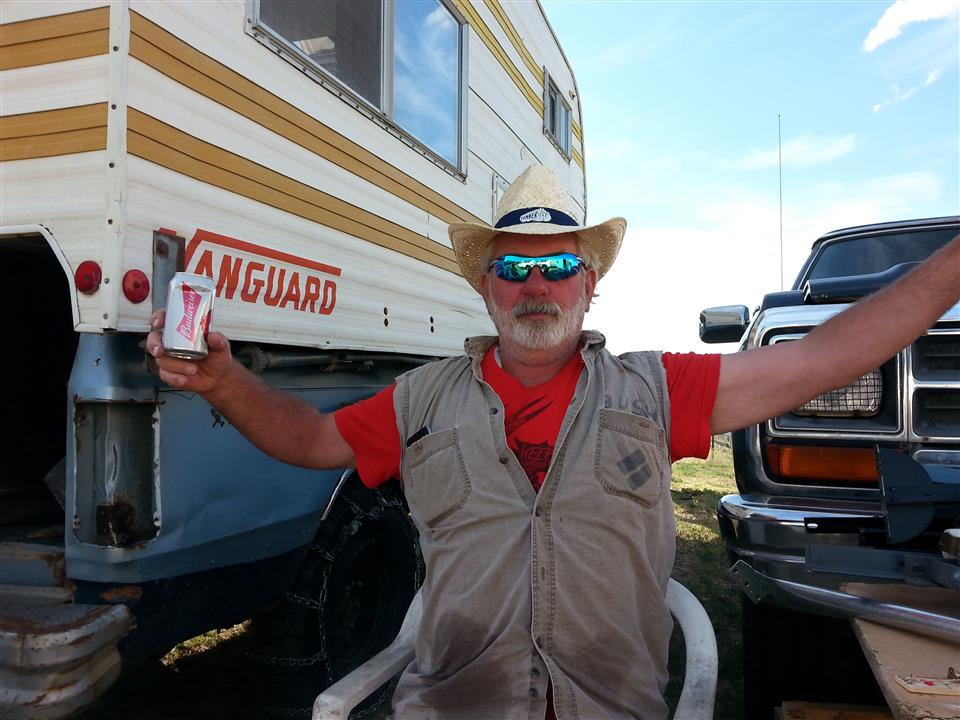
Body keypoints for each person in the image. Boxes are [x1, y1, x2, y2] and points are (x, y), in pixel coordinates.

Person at [146, 165, 960, 720]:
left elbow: (824, 358)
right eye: (513, 269)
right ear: (484, 286)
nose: (536, 285)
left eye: (559, 264)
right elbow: (312, 439)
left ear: (589, 284)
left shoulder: (655, 388)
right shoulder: (422, 397)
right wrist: (223, 381)